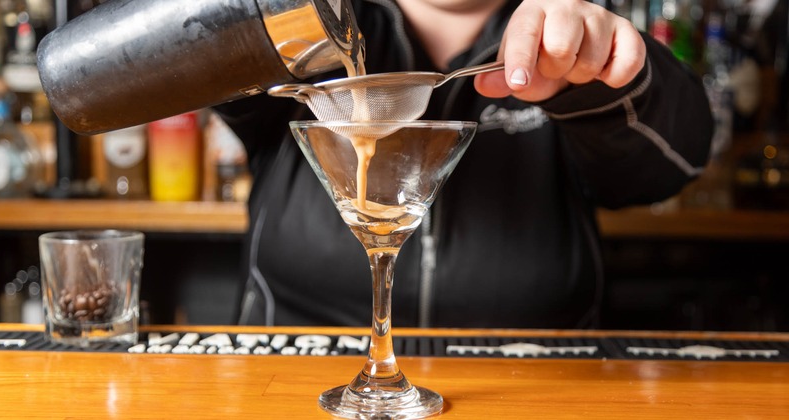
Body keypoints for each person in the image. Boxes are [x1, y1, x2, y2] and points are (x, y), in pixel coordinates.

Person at [214, 0, 713, 328]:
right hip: (289, 378)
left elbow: (677, 161)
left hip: (534, 380)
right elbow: (174, 46)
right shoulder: (300, 26)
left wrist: (601, 70)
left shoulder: (565, 31)